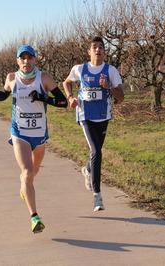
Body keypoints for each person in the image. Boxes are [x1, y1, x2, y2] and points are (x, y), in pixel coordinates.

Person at [0, 45, 67, 234]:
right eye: (22, 58)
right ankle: (35, 217)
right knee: (27, 172)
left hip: (40, 134)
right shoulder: (11, 78)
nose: (26, 61)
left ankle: (25, 186)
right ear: (17, 61)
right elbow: (6, 93)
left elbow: (63, 102)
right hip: (20, 133)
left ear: (35, 60)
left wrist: (44, 97)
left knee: (33, 172)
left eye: (29, 58)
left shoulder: (45, 78)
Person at [63, 36, 124, 212]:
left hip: (103, 116)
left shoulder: (111, 71)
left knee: (95, 152)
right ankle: (97, 196)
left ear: (105, 52)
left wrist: (108, 88)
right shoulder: (80, 69)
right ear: (89, 52)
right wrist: (70, 98)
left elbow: (121, 96)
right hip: (85, 115)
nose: (98, 50)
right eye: (94, 47)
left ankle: (87, 169)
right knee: (96, 151)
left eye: (101, 47)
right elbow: (66, 82)